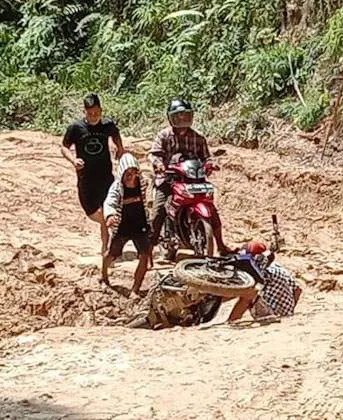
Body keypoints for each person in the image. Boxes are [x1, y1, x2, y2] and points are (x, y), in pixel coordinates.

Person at [126, 240, 301, 329]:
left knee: (249, 293)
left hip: (271, 317)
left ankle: (229, 322)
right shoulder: (279, 269)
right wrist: (289, 310)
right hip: (286, 314)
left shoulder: (255, 278)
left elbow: (245, 297)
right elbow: (298, 290)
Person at [147, 98, 231, 255]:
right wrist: (158, 164)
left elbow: (207, 157)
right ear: (171, 117)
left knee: (211, 208)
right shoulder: (164, 136)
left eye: (186, 115)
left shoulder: (198, 138)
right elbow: (154, 155)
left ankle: (220, 245)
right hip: (168, 179)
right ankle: (148, 251)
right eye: (178, 115)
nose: (182, 118)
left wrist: (211, 164)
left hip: (194, 179)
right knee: (159, 210)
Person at [60, 93, 125, 255]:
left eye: (96, 113)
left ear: (101, 111)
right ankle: (108, 243)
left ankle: (106, 248)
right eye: (90, 114)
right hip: (85, 179)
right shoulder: (76, 128)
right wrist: (73, 160)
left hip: (105, 178)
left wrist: (120, 148)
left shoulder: (107, 125)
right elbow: (64, 147)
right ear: (84, 112)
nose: (94, 116)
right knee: (91, 212)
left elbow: (116, 135)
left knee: (105, 212)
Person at [101, 153, 151, 296]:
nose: (130, 176)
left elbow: (151, 196)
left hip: (140, 224)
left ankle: (135, 289)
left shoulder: (143, 183)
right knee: (112, 254)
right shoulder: (117, 187)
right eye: (127, 173)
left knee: (144, 255)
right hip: (122, 226)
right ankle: (104, 277)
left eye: (133, 173)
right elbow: (110, 201)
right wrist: (110, 215)